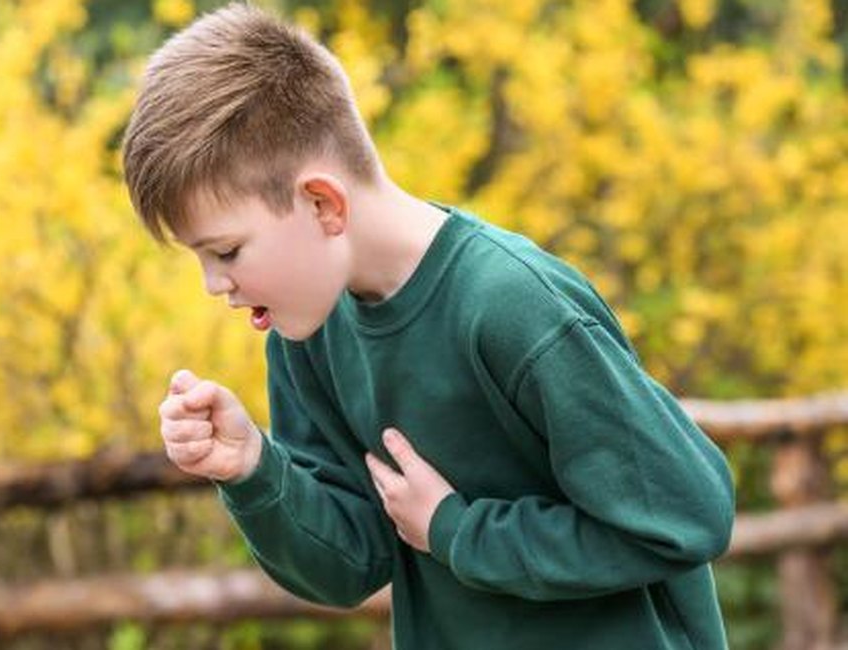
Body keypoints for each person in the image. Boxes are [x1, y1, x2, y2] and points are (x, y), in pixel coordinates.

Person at [122, 4, 735, 648]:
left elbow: (687, 515)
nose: (214, 285)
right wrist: (253, 469)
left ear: (322, 203)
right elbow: (353, 564)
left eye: (225, 252)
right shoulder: (306, 333)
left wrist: (458, 531)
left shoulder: (512, 305)